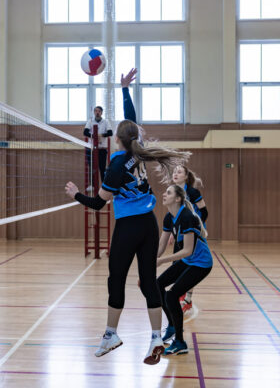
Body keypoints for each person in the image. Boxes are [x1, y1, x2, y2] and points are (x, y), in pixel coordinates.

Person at [65, 68, 189, 365]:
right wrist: (124, 89)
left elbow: (99, 203)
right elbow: (131, 122)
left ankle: (111, 334)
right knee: (149, 281)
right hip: (149, 224)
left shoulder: (117, 165)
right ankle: (156, 337)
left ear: (117, 139)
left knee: (116, 279)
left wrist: (76, 194)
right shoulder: (139, 151)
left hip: (128, 227)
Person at [156, 185, 211, 355]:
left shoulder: (187, 217)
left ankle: (180, 342)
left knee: (172, 295)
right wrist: (149, 265)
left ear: (178, 198)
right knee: (158, 285)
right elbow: (161, 245)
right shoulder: (169, 217)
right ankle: (172, 326)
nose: (164, 194)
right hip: (188, 260)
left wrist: (161, 261)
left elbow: (187, 250)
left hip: (201, 263)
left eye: (169, 192)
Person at [172, 165, 208, 313]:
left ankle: (187, 299)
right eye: (174, 172)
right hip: (180, 234)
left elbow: (204, 212)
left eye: (179, 172)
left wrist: (196, 229)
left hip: (193, 234)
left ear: (186, 177)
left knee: (190, 266)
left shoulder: (193, 192)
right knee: (177, 265)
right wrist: (172, 232)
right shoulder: (173, 192)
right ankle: (180, 295)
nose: (175, 174)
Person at [84, 106, 113, 183]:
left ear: (101, 113)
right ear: (94, 112)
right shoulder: (90, 121)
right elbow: (85, 132)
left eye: (99, 111)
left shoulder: (106, 121)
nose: (97, 112)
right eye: (96, 111)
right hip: (92, 149)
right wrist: (94, 136)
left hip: (102, 149)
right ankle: (92, 186)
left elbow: (110, 133)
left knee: (102, 168)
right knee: (91, 168)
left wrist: (101, 135)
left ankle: (104, 186)